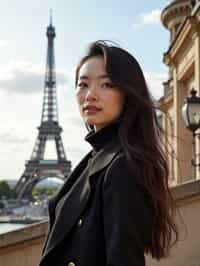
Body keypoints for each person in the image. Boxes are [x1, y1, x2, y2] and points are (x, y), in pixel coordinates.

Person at [39, 40, 178, 266]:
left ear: (128, 93)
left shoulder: (122, 166)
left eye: (107, 85)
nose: (90, 95)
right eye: (83, 84)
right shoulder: (97, 158)